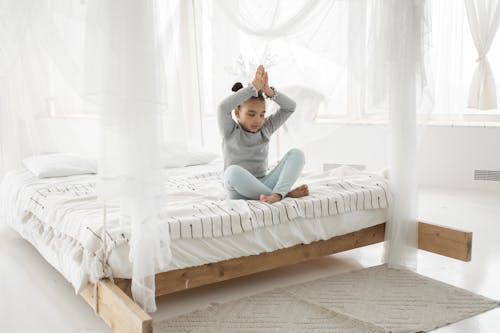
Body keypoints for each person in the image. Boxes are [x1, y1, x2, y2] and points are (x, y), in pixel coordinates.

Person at [218, 65, 309, 204]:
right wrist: (253, 87)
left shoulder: (266, 128)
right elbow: (222, 108)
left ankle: (277, 195)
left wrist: (269, 91)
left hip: (264, 183)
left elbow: (290, 107)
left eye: (262, 115)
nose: (257, 120)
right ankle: (284, 194)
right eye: (251, 114)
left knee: (297, 154)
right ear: (237, 113)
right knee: (231, 172)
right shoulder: (230, 130)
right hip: (238, 189)